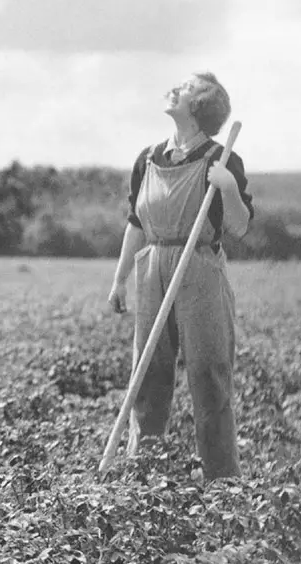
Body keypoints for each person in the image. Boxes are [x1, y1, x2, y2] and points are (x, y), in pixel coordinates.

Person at [107, 72, 251, 480]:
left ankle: (222, 481)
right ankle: (141, 471)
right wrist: (119, 280)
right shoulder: (148, 158)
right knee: (148, 373)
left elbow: (239, 226)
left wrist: (228, 188)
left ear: (201, 106)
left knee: (208, 373)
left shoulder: (221, 159)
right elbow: (136, 223)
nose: (173, 89)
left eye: (185, 89)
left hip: (199, 268)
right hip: (151, 265)